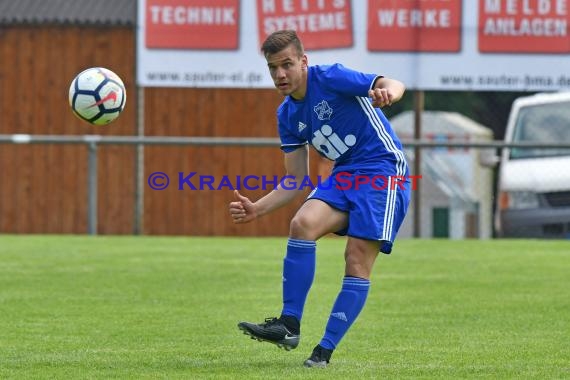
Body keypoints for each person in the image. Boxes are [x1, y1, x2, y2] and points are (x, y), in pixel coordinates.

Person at [228, 29, 410, 368]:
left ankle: (323, 351)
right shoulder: (287, 114)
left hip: (384, 169)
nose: (280, 74)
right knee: (303, 223)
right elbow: (295, 179)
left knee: (356, 258)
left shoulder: (331, 77)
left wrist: (389, 93)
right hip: (345, 174)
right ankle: (289, 325)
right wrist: (257, 209)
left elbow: (393, 83)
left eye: (286, 65)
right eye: (272, 68)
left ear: (303, 62)